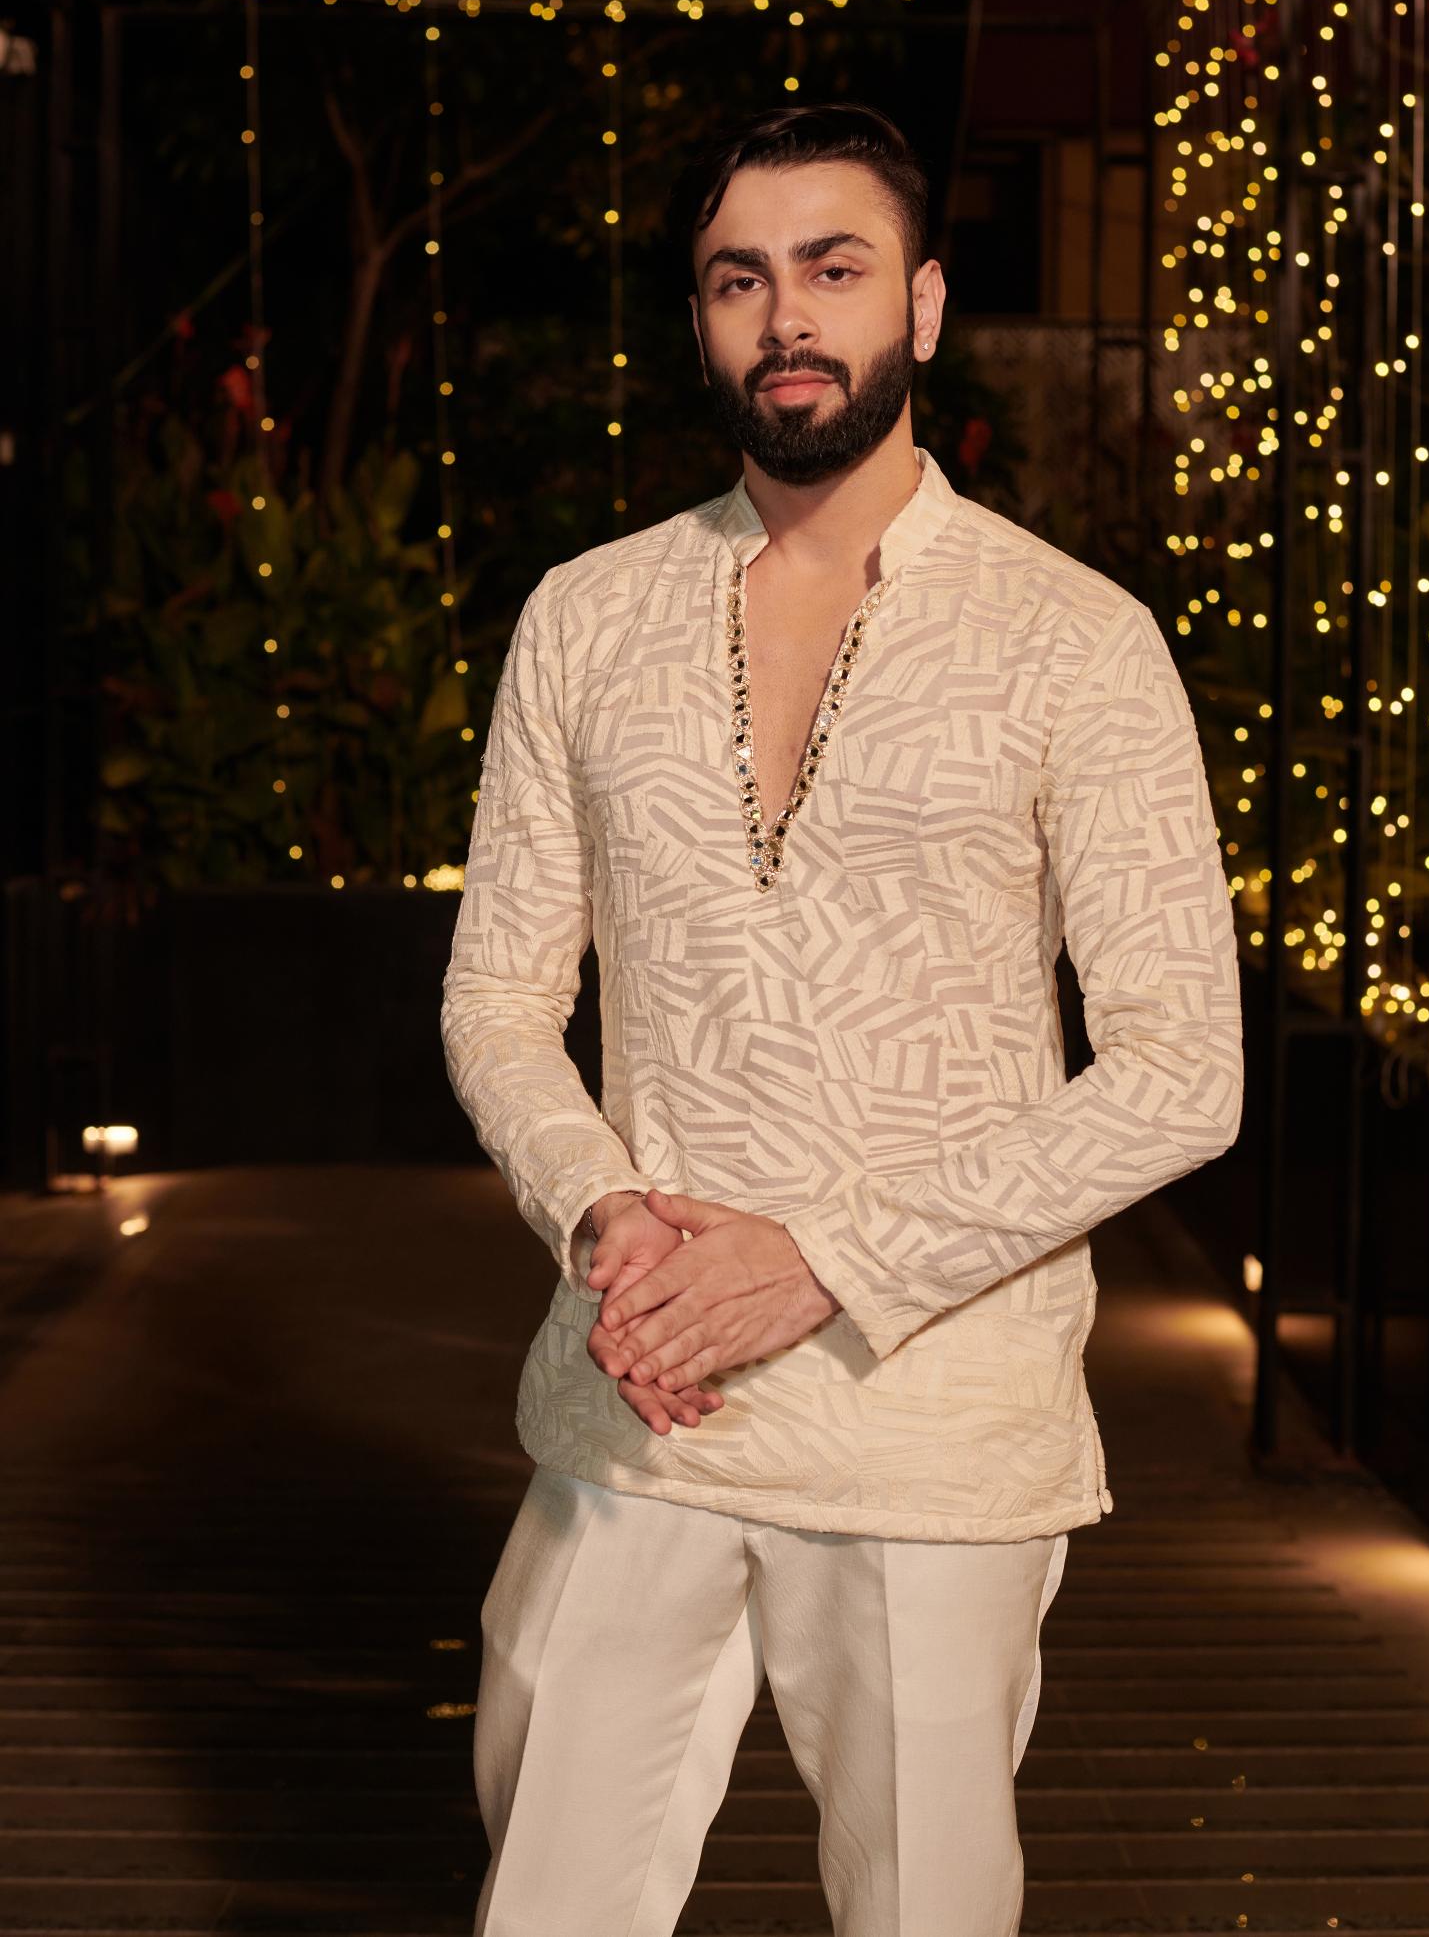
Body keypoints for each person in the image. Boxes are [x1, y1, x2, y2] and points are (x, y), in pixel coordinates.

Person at [441, 101, 1244, 1937]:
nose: (788, 315)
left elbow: (1183, 1070)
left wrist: (826, 1260)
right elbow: (497, 994)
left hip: (933, 1417)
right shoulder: (584, 617)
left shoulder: (1078, 638)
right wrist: (601, 1210)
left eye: (834, 267)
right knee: (546, 1900)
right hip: (638, 1387)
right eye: (742, 279)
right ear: (701, 321)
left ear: (925, 304)